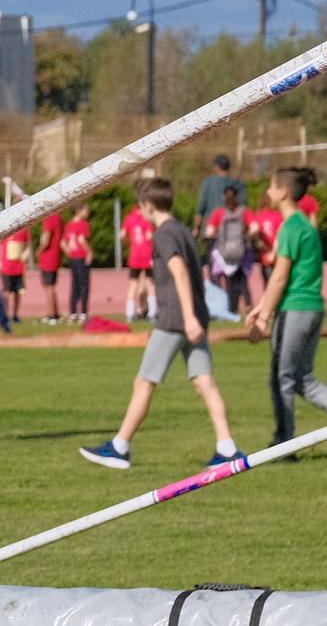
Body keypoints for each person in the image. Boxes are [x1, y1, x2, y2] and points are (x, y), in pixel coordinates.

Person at [80, 176, 240, 471]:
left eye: (141, 207)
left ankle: (119, 447)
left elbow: (179, 273)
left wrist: (188, 317)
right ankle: (228, 448)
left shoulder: (164, 234)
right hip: (194, 318)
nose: (140, 213)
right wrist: (196, 317)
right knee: (204, 382)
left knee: (144, 382)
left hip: (175, 320)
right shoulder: (182, 230)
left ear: (149, 205)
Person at [245, 166, 327, 458]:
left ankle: (284, 443)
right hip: (312, 309)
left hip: (294, 310)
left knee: (281, 378)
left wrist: (263, 317)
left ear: (283, 191)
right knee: (302, 378)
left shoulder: (289, 227)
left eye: (272, 186)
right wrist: (261, 307)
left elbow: (279, 276)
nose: (269, 192)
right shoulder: (305, 226)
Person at [207, 181, 253, 316]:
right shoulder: (244, 211)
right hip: (241, 251)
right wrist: (244, 237)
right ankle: (249, 306)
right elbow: (255, 227)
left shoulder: (219, 212)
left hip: (225, 252)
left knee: (229, 282)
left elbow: (209, 232)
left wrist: (221, 238)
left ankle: (231, 308)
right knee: (243, 281)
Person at [121, 193, 156, 321]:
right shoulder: (147, 218)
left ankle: (130, 314)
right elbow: (149, 236)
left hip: (134, 256)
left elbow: (122, 234)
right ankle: (152, 314)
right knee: (150, 285)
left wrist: (129, 242)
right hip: (147, 256)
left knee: (133, 286)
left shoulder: (129, 218)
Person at [0, 215, 30, 325]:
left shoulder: (24, 230)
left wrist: (25, 255)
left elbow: (27, 245)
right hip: (6, 266)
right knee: (7, 291)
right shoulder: (5, 229)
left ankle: (15, 314)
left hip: (18, 267)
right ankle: (4, 314)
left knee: (18, 291)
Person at [60, 206, 93, 322]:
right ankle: (83, 313)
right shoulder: (83, 224)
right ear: (79, 211)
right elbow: (81, 239)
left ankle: (73, 312)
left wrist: (69, 251)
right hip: (81, 256)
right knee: (84, 286)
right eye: (85, 210)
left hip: (73, 258)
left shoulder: (69, 225)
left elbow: (63, 243)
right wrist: (89, 252)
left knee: (75, 286)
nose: (87, 212)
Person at [194, 153, 236, 232]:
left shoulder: (208, 182)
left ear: (217, 167)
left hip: (210, 228)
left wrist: (196, 227)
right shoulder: (236, 183)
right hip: (230, 228)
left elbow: (201, 206)